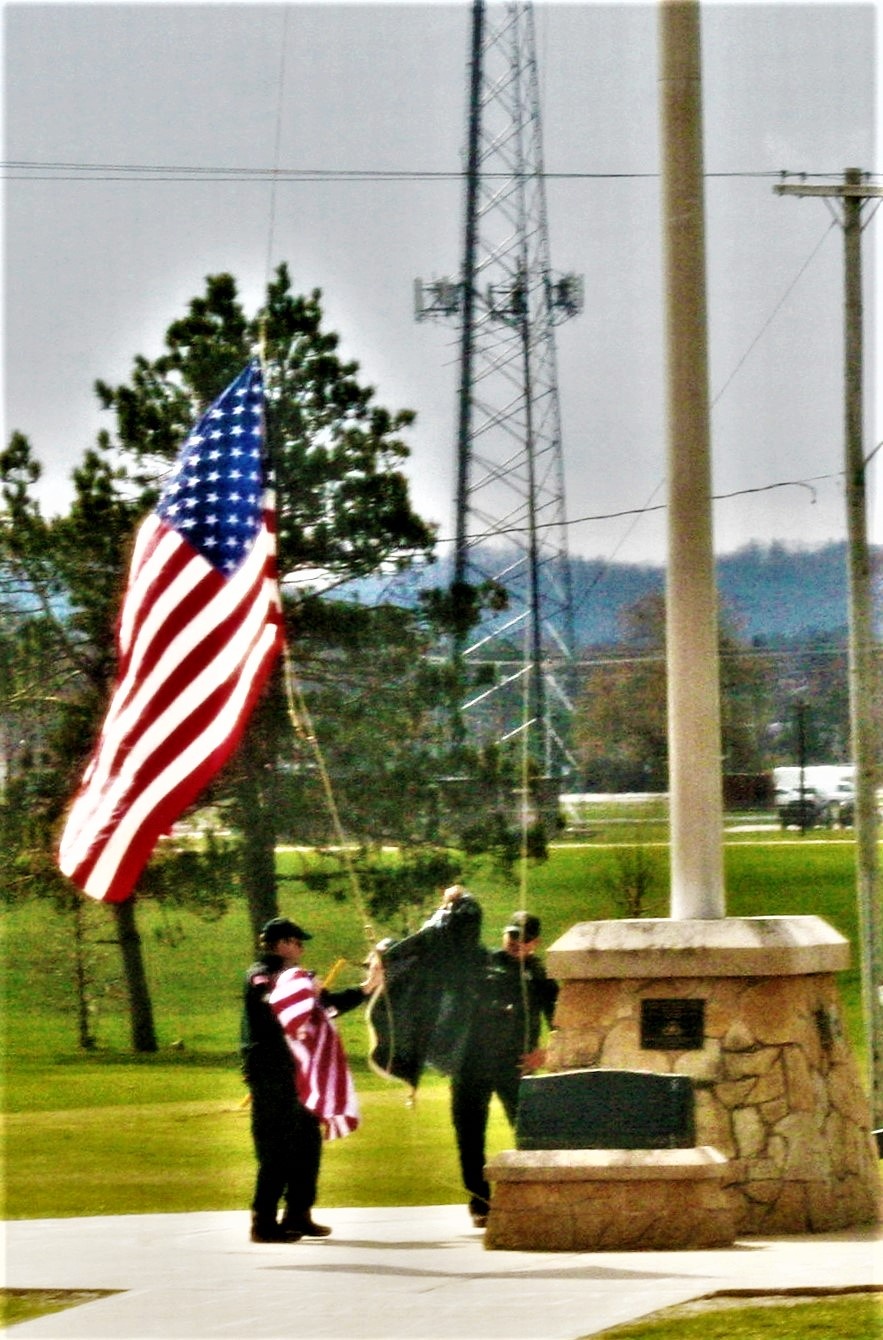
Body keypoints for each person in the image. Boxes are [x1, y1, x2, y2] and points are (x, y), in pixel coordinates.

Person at [240, 916, 381, 1244]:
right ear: (282, 943)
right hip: (271, 1071)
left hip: (301, 1073)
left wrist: (367, 987)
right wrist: (303, 990)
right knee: (275, 1147)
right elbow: (274, 1005)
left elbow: (326, 1007)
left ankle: (298, 1213)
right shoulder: (261, 974)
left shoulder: (298, 980)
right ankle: (263, 1221)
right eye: (297, 942)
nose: (301, 949)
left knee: (306, 1143)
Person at [449, 910, 558, 1228]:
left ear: (535, 943)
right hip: (470, 1065)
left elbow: (560, 1022)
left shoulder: (540, 976)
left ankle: (535, 1196)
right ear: (504, 934)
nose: (515, 943)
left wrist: (545, 1053)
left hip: (515, 1066)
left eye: (523, 939)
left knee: (531, 1133)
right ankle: (480, 1203)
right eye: (512, 936)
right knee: (469, 1137)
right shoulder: (483, 963)